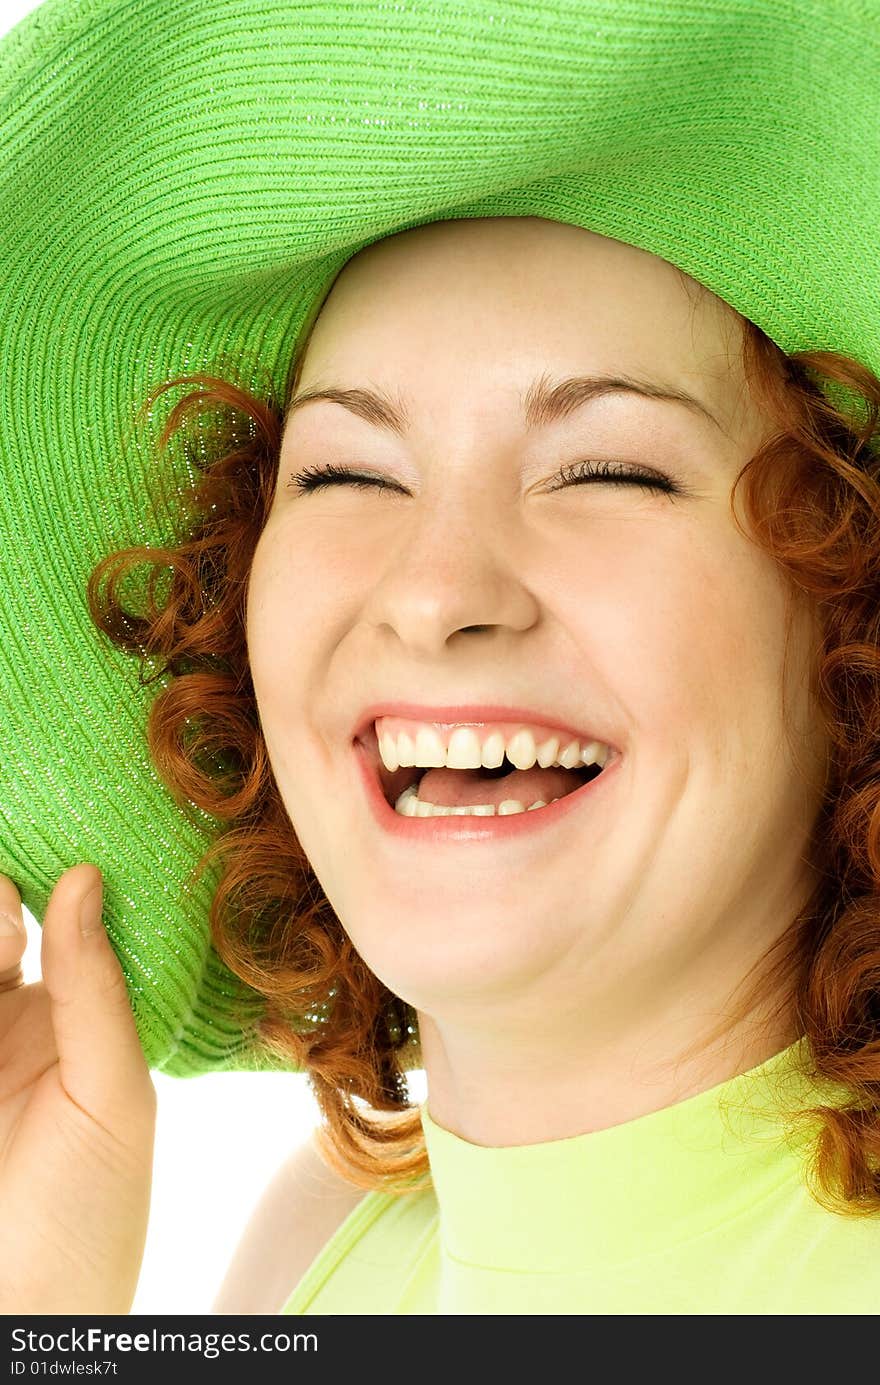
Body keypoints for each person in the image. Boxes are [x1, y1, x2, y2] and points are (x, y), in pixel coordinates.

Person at [1, 0, 879, 1317]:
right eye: (349, 471)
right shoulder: (311, 1243)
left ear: (844, 607)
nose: (435, 595)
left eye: (610, 470)